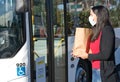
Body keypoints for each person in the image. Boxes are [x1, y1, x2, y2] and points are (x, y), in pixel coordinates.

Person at [72, 5, 118, 82]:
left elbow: (105, 54)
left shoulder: (107, 30)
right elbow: (92, 50)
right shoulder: (96, 30)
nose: (90, 17)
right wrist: (79, 53)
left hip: (105, 74)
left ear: (99, 15)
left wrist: (87, 56)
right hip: (95, 70)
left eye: (91, 15)